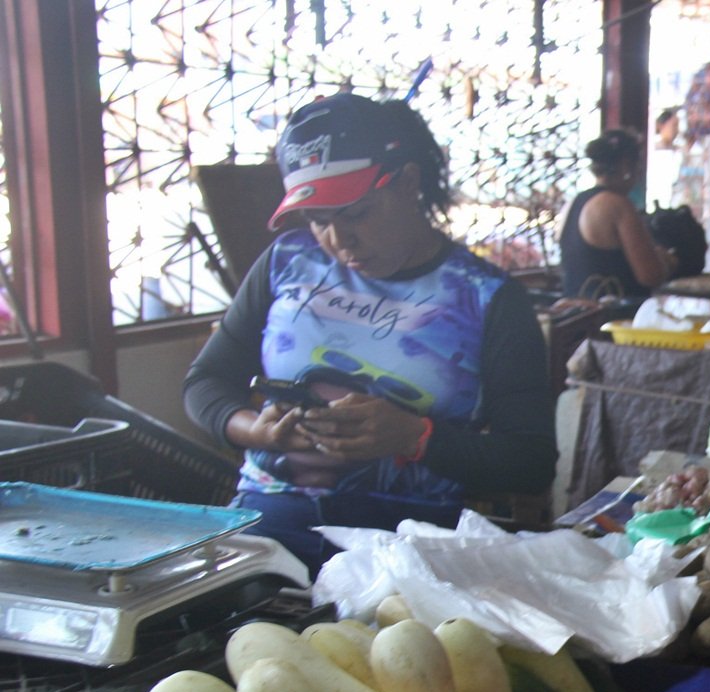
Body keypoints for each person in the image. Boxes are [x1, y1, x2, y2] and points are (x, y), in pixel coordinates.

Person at [183, 92, 558, 571]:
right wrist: (255, 431)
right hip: (273, 525)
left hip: (409, 543)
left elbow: (530, 461)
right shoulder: (286, 264)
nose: (339, 241)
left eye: (356, 213)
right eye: (318, 220)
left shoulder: (487, 298)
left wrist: (414, 437)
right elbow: (205, 382)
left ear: (407, 182)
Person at [559, 129, 674, 302]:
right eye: (638, 167)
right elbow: (650, 275)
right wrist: (666, 261)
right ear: (627, 166)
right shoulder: (617, 205)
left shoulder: (573, 203)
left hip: (576, 318)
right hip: (613, 319)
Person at [645, 107, 681, 211]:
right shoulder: (653, 149)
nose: (676, 130)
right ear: (661, 125)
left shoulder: (678, 150)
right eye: (674, 125)